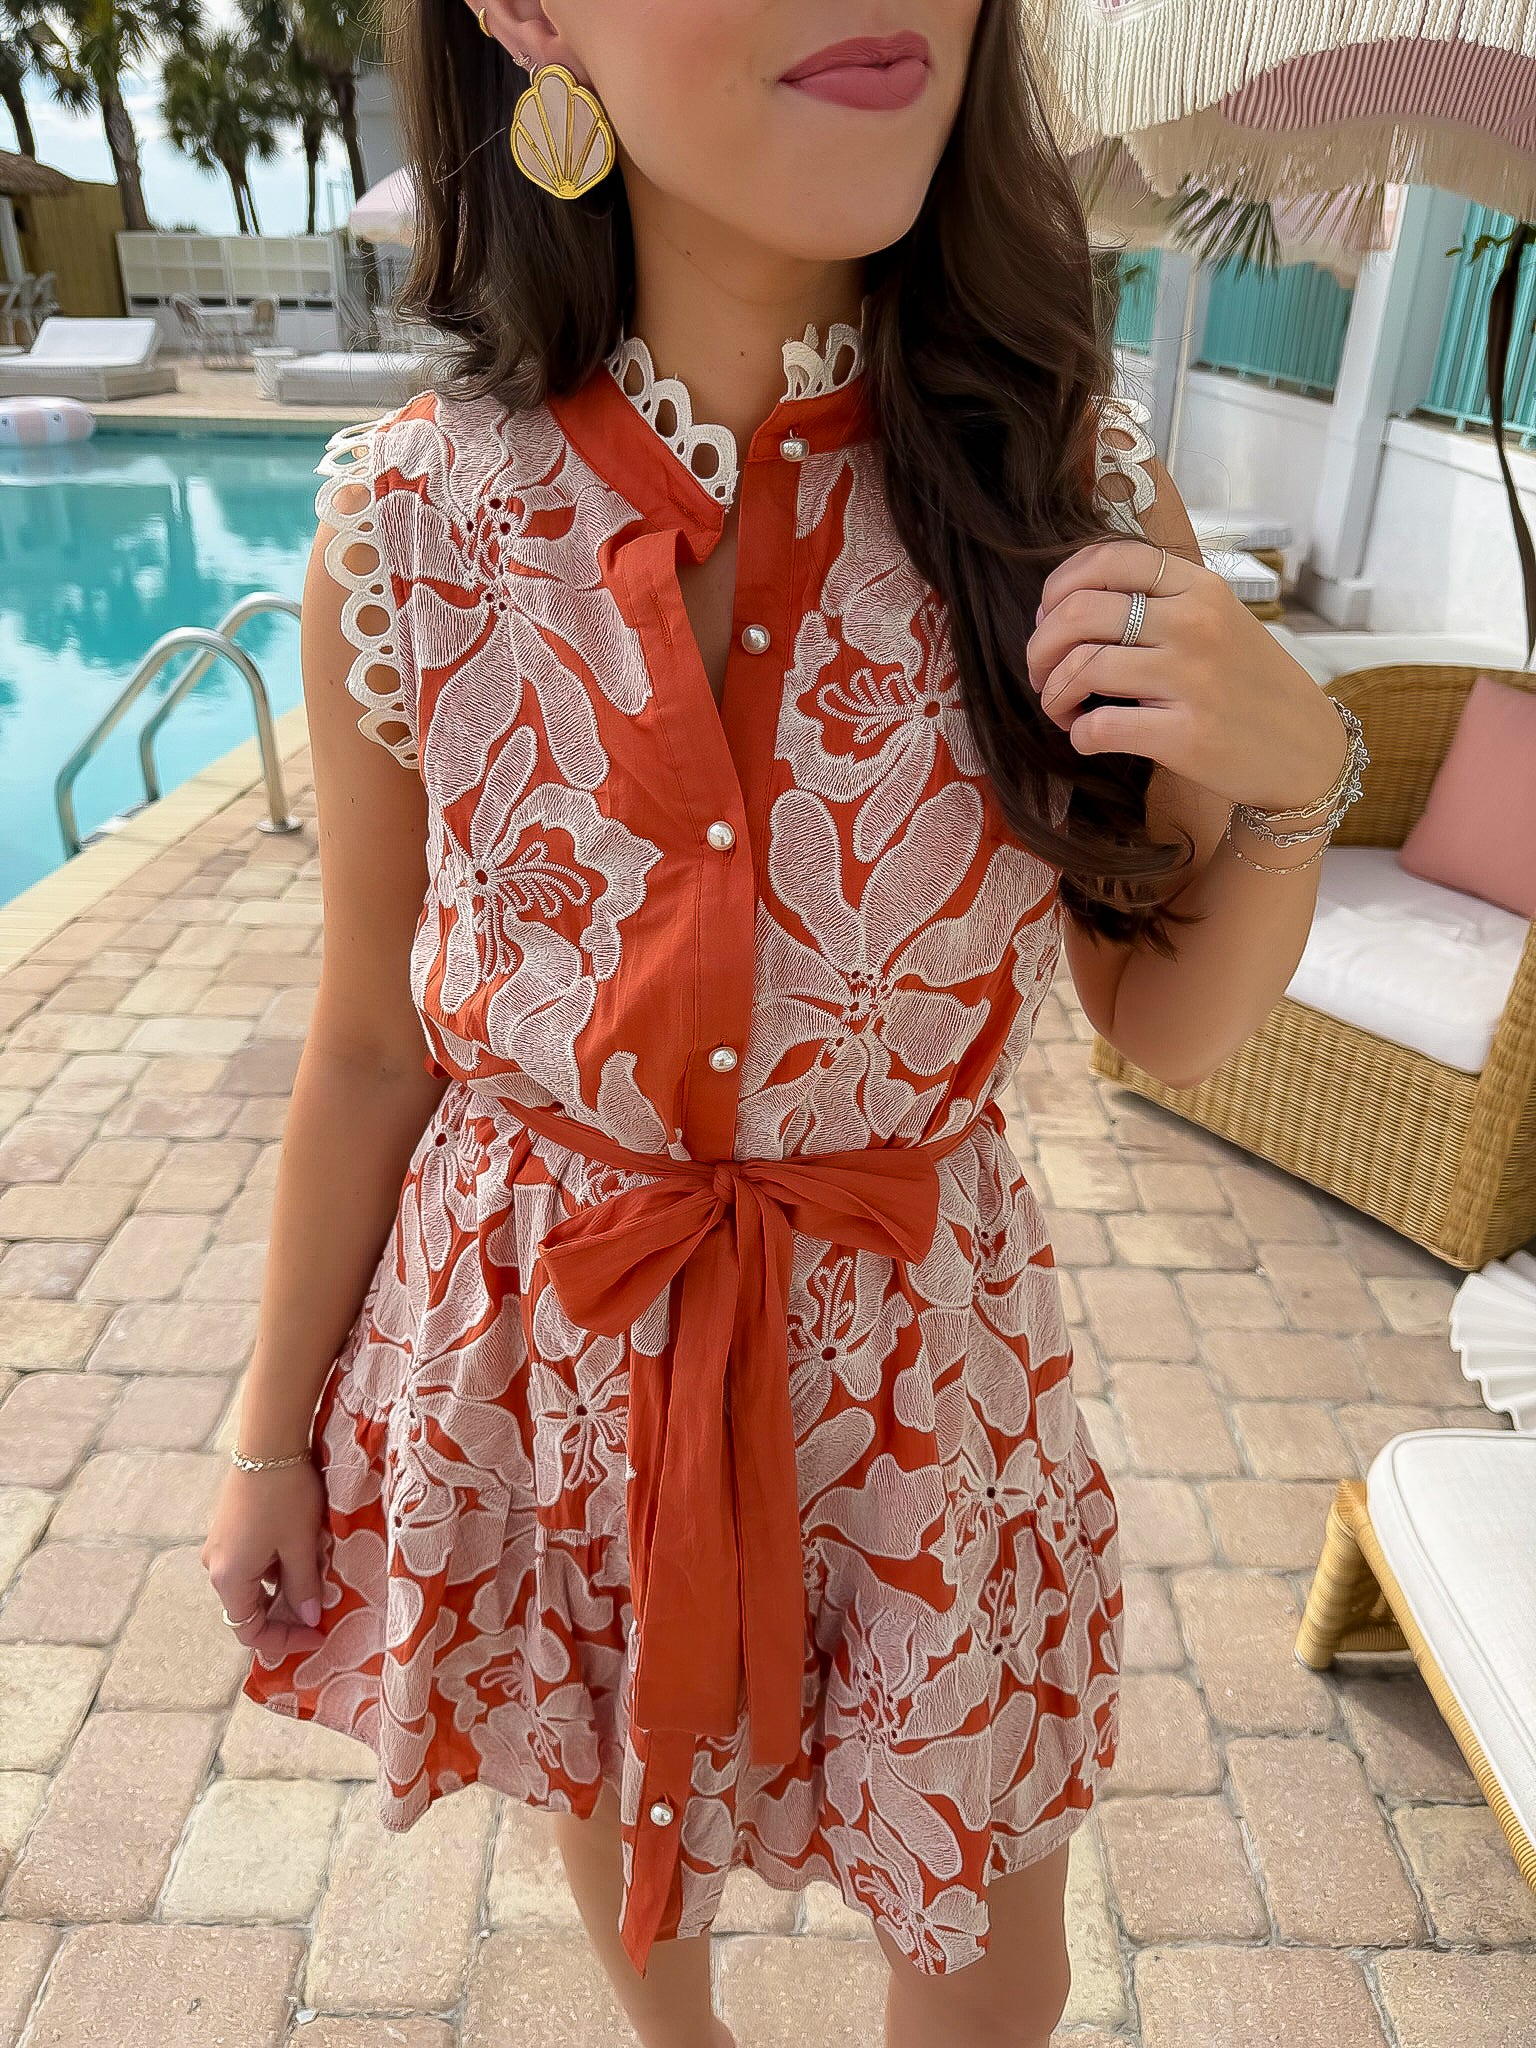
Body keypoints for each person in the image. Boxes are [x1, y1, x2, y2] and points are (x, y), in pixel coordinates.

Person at [200, 6, 1366, 2046]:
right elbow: (375, 1042)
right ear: (525, 15)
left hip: (923, 1375)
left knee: (994, 1957)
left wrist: (1293, 787)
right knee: (604, 1768)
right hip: (563, 1359)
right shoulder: (406, 527)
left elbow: (1162, 1013)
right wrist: (267, 1435)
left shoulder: (1071, 496)